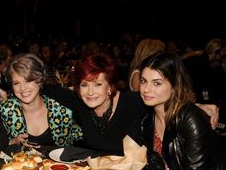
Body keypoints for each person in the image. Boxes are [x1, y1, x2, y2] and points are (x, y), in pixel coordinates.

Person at [73, 53, 220, 156]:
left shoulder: (134, 102)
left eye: (98, 84)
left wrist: (198, 107)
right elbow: (51, 91)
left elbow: (163, 98)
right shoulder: (79, 103)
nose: (90, 92)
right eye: (84, 85)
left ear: (109, 85)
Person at [139, 51, 225, 170]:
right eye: (143, 81)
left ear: (174, 86)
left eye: (157, 83)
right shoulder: (147, 119)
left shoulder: (190, 119)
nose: (146, 90)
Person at [0, 53, 83, 148]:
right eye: (16, 83)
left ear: (40, 79)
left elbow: (81, 142)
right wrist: (11, 143)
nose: (22, 88)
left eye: (28, 80)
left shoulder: (62, 110)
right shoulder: (5, 111)